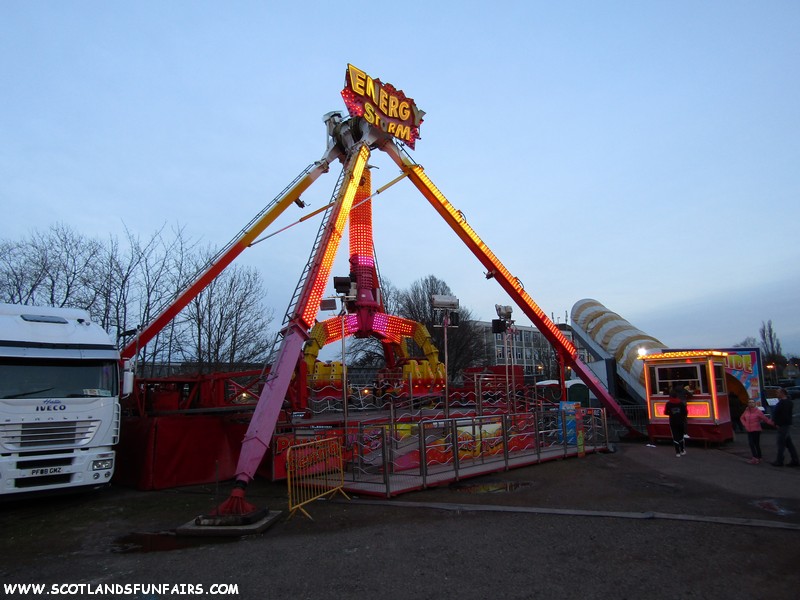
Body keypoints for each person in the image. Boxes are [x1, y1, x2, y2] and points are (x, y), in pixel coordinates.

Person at [770, 388, 799, 467]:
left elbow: (784, 415)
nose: (777, 394)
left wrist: (778, 423)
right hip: (784, 425)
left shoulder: (784, 403)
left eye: (778, 392)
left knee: (781, 443)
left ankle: (779, 461)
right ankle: (795, 459)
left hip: (782, 425)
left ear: (782, 393)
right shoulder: (787, 402)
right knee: (789, 443)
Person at [739, 399, 774, 464]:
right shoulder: (747, 411)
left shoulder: (758, 411)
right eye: (749, 402)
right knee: (751, 443)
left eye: (752, 402)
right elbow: (742, 418)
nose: (751, 404)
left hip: (756, 430)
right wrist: (745, 424)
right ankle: (755, 457)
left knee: (756, 444)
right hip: (749, 430)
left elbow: (765, 419)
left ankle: (758, 457)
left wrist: (773, 424)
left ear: (755, 404)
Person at [664, 385, 689, 457]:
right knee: (681, 436)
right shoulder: (681, 403)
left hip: (672, 421)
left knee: (675, 436)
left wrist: (671, 413)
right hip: (680, 420)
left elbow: (665, 412)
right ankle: (682, 450)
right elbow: (685, 412)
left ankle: (677, 452)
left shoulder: (668, 403)